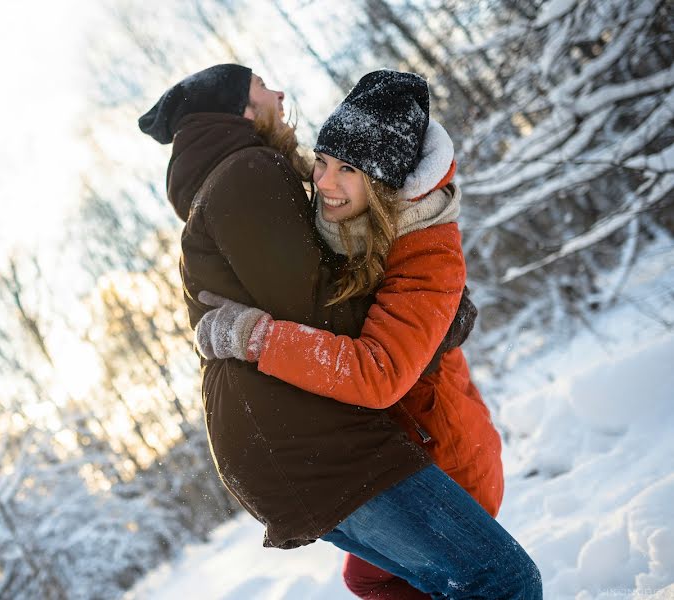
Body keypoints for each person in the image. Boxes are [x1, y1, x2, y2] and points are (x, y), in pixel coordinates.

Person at [139, 65, 541, 598]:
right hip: (323, 441)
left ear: (380, 180)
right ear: (240, 110)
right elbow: (319, 313)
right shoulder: (251, 173)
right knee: (502, 580)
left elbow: (369, 350)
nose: (322, 180)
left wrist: (437, 318)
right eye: (322, 163)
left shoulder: (412, 241)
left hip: (410, 437)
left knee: (395, 581)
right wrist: (255, 335)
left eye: (343, 168)